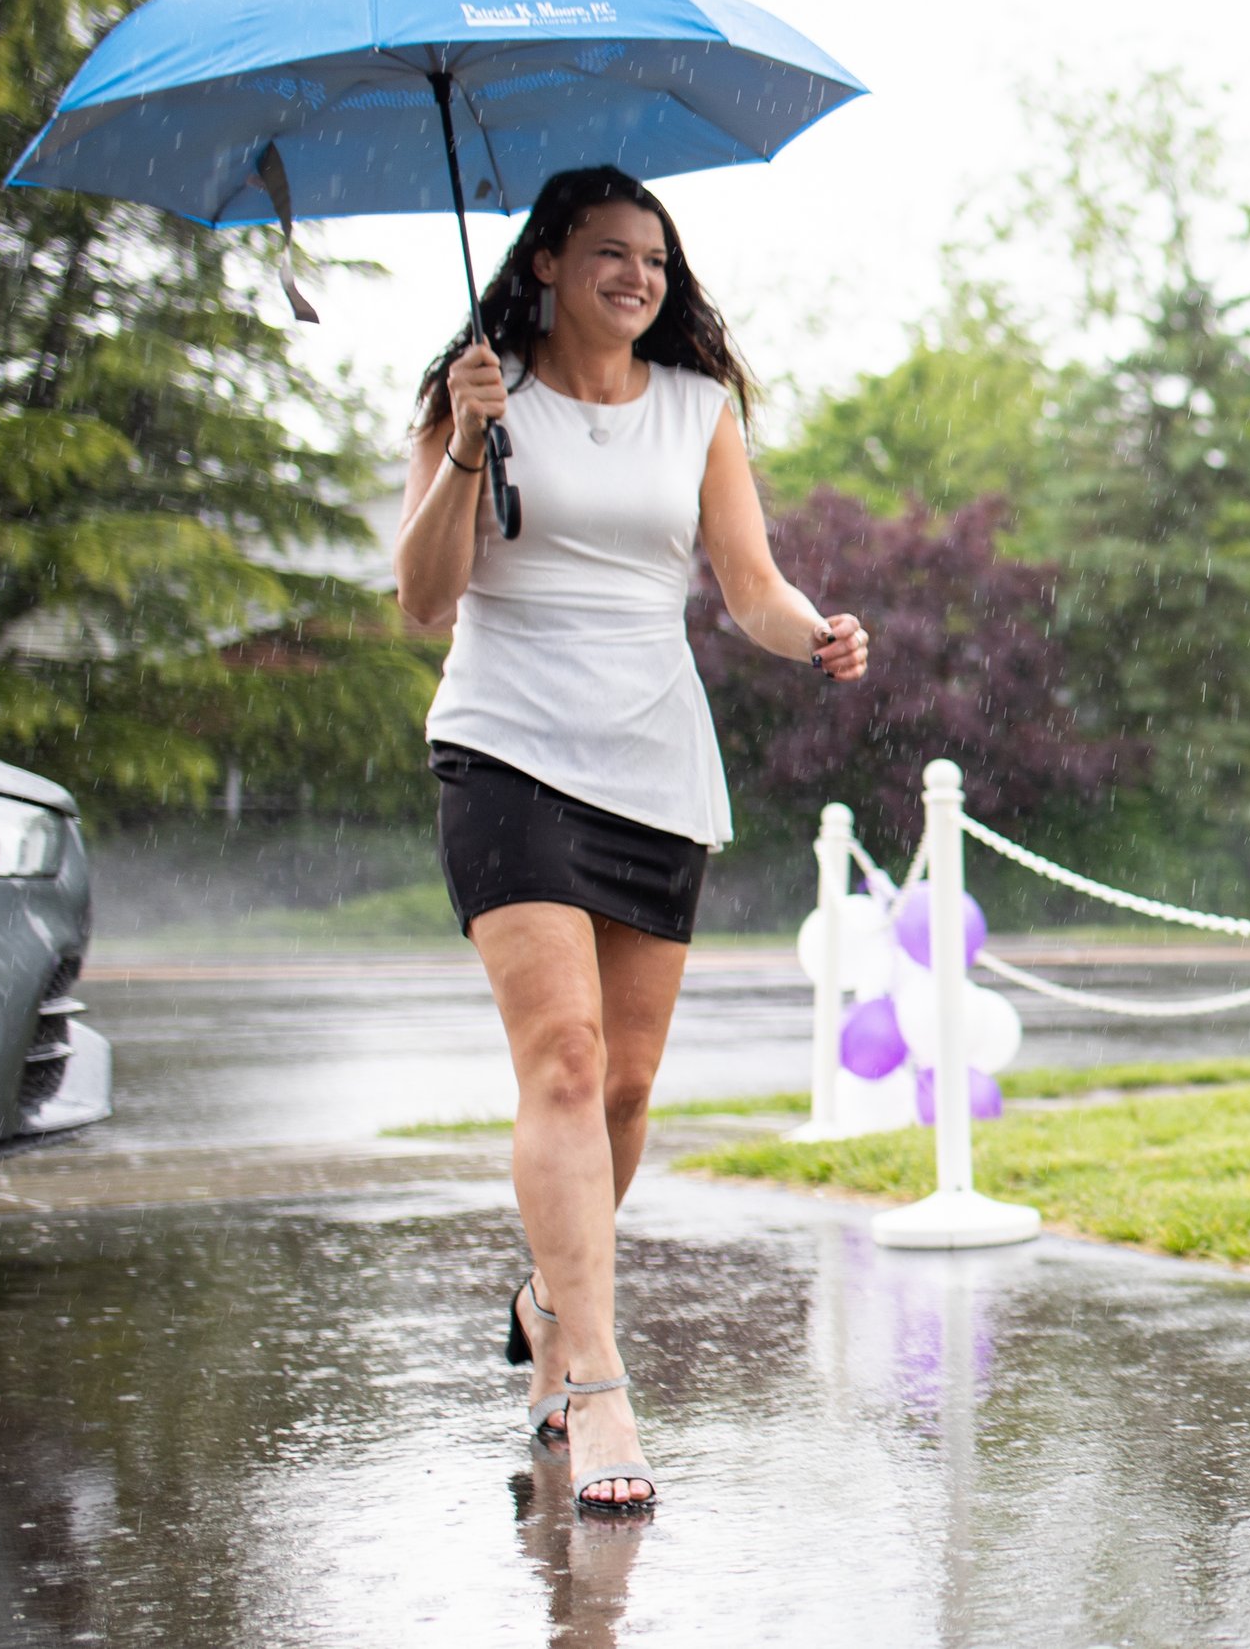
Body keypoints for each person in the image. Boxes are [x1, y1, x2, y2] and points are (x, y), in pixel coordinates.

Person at [394, 165, 870, 1513]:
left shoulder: (694, 407)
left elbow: (750, 583)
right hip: (505, 748)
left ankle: (552, 1294)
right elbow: (427, 598)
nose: (639, 278)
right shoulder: (473, 397)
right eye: (610, 254)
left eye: (655, 260)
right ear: (544, 262)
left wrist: (813, 632)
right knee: (564, 1058)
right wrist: (476, 442)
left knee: (626, 1090)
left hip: (654, 761)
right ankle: (595, 1379)